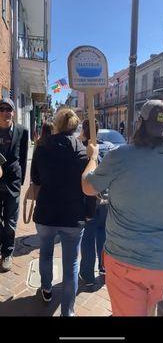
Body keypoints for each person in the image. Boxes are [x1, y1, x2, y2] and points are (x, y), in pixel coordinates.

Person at [81, 99, 163, 316]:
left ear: (140, 124)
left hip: (125, 260)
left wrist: (92, 158)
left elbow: (88, 187)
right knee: (148, 308)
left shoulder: (120, 156)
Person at [31, 108, 88, 316]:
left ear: (57, 124)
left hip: (46, 212)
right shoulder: (83, 152)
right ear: (74, 127)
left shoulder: (41, 148)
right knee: (71, 262)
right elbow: (89, 187)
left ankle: (46, 289)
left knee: (45, 253)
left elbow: (36, 180)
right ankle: (68, 312)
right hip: (73, 216)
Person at [78, 119, 108, 286]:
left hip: (89, 201)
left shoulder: (80, 148)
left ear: (84, 129)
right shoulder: (108, 147)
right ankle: (103, 267)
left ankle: (87, 275)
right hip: (106, 199)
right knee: (102, 233)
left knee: (88, 237)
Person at [0, 98, 28, 272]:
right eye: (1, 109)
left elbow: (23, 158)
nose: (5, 112)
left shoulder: (21, 131)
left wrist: (21, 180)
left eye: (8, 109)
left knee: (10, 223)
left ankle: (7, 253)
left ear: (13, 112)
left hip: (13, 184)